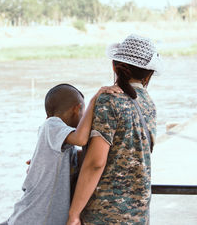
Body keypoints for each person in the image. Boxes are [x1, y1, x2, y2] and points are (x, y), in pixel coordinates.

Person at [67, 34, 162, 225]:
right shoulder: (149, 104)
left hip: (104, 214)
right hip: (139, 215)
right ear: (149, 74)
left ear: (114, 66)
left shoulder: (108, 101)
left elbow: (96, 162)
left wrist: (74, 214)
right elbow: (125, 153)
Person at [0, 83, 122, 225]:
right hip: (33, 218)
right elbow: (81, 139)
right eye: (83, 113)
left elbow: (85, 156)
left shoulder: (61, 143)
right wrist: (94, 101)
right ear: (77, 109)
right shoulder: (51, 124)